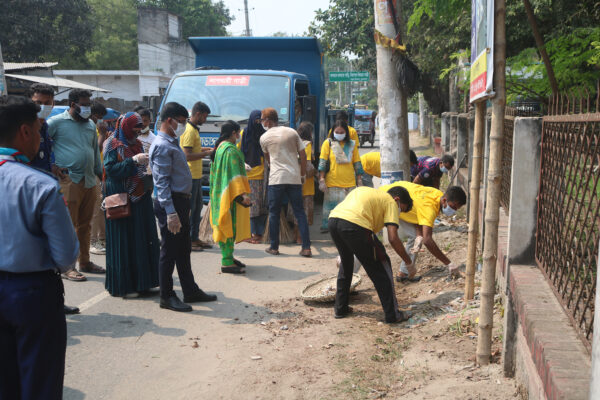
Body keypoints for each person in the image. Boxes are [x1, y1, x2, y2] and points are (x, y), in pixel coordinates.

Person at [0, 95, 79, 400]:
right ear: (24, 132)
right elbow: (66, 256)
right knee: (40, 383)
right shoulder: (40, 185)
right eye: (37, 130)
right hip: (32, 294)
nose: (39, 137)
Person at [149, 102, 217, 312]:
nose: (183, 126)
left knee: (183, 248)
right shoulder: (162, 145)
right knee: (169, 251)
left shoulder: (172, 141)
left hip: (180, 201)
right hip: (171, 202)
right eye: (181, 122)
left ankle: (190, 289)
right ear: (170, 120)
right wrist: (171, 213)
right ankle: (167, 296)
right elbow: (161, 182)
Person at [27, 84, 80, 315]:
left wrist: (54, 168)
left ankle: (56, 300)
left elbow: (46, 156)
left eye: (47, 103)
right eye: (38, 102)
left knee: (50, 251)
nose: (43, 107)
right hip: (29, 197)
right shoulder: (24, 127)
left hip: (47, 192)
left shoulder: (45, 126)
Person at [328, 186, 415, 323]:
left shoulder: (369, 193)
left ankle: (340, 308)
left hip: (334, 221)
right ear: (397, 199)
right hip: (355, 224)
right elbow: (393, 238)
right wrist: (408, 262)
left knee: (347, 263)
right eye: (402, 209)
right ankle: (393, 315)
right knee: (382, 265)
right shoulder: (391, 202)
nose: (398, 213)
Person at [47, 88, 105, 281]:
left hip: (89, 179)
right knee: (68, 225)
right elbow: (41, 143)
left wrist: (100, 174)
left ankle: (85, 261)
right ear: (73, 104)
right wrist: (51, 164)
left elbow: (94, 151)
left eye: (89, 104)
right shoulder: (56, 122)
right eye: (85, 104)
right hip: (69, 180)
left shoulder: (89, 125)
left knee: (85, 225)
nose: (88, 108)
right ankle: (67, 267)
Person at [103, 112, 160, 297]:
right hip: (121, 196)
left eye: (140, 127)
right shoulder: (112, 144)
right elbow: (110, 170)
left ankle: (143, 283)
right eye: (135, 127)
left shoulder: (137, 143)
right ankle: (124, 286)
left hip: (140, 195)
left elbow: (141, 169)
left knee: (142, 239)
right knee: (123, 241)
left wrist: (146, 166)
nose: (138, 131)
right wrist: (133, 161)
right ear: (126, 126)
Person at [379, 181, 467, 281]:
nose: (454, 210)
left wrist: (419, 233)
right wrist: (449, 263)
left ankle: (403, 273)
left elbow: (418, 211)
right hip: (391, 199)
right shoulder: (430, 208)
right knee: (415, 237)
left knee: (417, 238)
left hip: (391, 192)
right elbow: (427, 240)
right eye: (453, 206)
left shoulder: (437, 194)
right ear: (444, 200)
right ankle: (404, 272)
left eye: (456, 209)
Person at [259, 107, 312, 257]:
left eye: (262, 120)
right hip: (294, 178)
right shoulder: (291, 132)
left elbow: (268, 160)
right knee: (299, 212)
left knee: (274, 213)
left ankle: (274, 247)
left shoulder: (264, 138)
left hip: (276, 179)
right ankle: (306, 248)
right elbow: (303, 155)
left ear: (267, 121)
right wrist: (302, 174)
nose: (262, 123)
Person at [209, 121, 252, 274]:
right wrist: (242, 195)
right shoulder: (230, 150)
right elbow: (233, 174)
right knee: (229, 225)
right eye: (238, 132)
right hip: (230, 195)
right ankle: (226, 262)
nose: (239, 135)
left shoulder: (220, 147)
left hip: (220, 193)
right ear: (234, 133)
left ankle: (229, 257)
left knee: (224, 224)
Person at [318, 120, 364, 232]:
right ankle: (329, 228)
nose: (339, 134)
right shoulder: (328, 143)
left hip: (349, 184)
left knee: (348, 213)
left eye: (341, 132)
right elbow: (323, 162)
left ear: (346, 132)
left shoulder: (352, 145)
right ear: (333, 132)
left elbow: (357, 163)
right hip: (332, 183)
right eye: (337, 132)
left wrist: (359, 180)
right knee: (331, 211)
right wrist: (321, 179)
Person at [179, 101, 213, 251]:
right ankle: (188, 240)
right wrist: (206, 153)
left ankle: (194, 237)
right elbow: (187, 155)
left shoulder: (194, 129)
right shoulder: (189, 131)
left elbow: (194, 149)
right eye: (204, 117)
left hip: (197, 175)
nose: (205, 120)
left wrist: (206, 149)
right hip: (190, 175)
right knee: (191, 209)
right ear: (198, 114)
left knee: (198, 207)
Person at [239, 109, 268, 243]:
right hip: (247, 176)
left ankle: (258, 234)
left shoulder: (264, 135)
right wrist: (242, 164)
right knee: (250, 207)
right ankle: (251, 233)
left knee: (260, 207)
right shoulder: (244, 134)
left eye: (259, 120)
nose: (257, 123)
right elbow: (239, 151)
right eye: (255, 121)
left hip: (261, 176)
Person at [90, 102, 108, 256]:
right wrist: (102, 135)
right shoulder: (90, 129)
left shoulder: (97, 129)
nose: (100, 120)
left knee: (102, 207)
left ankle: (102, 238)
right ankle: (93, 240)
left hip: (100, 171)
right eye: (98, 116)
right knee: (96, 208)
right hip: (92, 172)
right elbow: (95, 150)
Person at [297, 121, 315, 226]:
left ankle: (296, 232)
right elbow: (307, 164)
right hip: (306, 183)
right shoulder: (307, 145)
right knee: (305, 211)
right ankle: (301, 233)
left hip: (295, 182)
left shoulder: (295, 143)